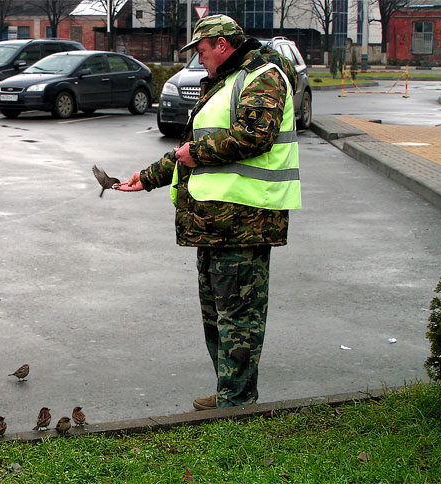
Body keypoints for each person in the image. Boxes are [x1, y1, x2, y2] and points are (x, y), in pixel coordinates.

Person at [116, 15, 301, 410]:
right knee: (218, 318)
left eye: (201, 51)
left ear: (222, 45)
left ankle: (235, 403)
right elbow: (191, 148)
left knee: (239, 319)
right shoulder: (225, 82)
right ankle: (230, 393)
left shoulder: (263, 77)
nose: (199, 60)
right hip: (215, 224)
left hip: (245, 221)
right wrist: (146, 178)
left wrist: (194, 154)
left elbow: (254, 136)